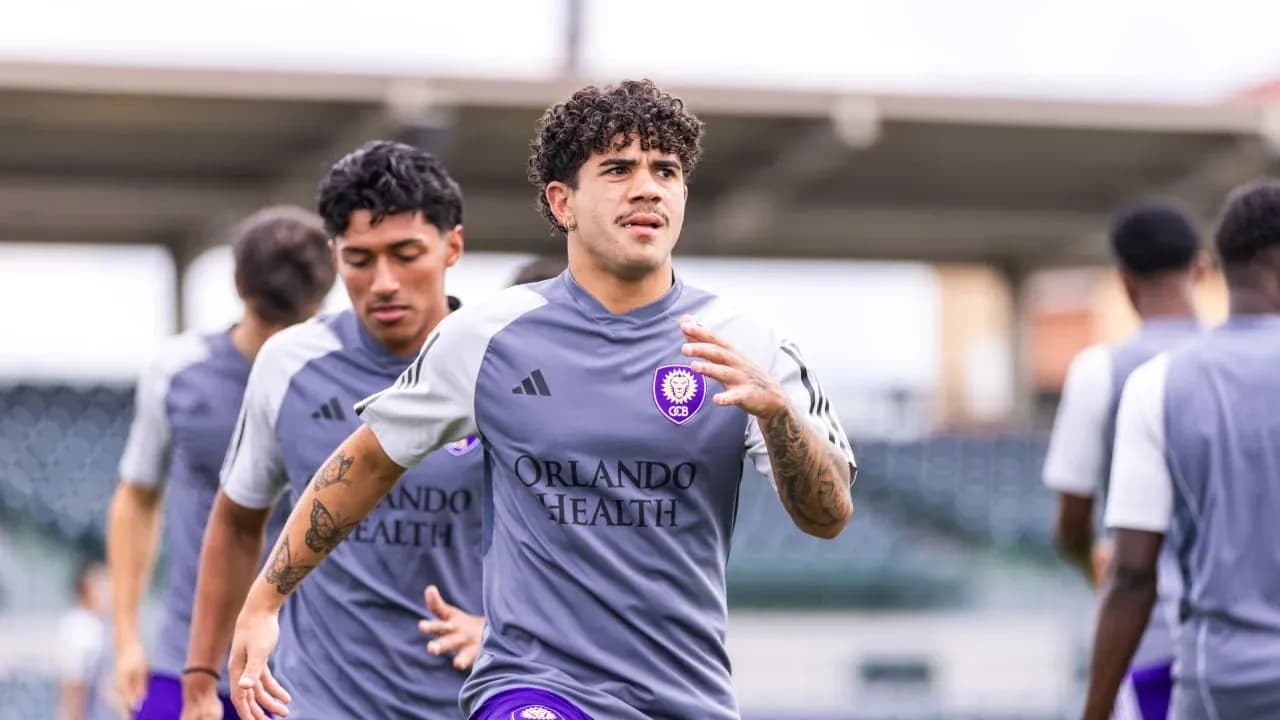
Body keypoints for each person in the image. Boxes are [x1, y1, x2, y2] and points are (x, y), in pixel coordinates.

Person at [226, 79, 857, 720]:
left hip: (687, 697)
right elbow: (365, 463)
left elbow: (829, 515)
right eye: (617, 169)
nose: (647, 187)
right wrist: (264, 602)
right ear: (563, 203)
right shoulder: (487, 336)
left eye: (665, 170)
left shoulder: (749, 344)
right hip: (534, 688)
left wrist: (779, 419)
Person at [182, 140, 488, 720]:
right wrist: (200, 676)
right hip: (316, 698)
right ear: (333, 256)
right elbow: (237, 518)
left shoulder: (502, 367)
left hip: (469, 698)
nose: (384, 282)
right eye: (360, 258)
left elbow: (565, 540)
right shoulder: (289, 363)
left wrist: (505, 631)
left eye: (406, 253)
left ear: (453, 246)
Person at [105, 207, 335, 719]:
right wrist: (126, 640)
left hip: (307, 673)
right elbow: (136, 499)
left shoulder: (345, 381)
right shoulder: (178, 370)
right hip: (186, 659)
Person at [1082, 180, 1280, 719]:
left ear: (1218, 268)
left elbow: (1132, 575)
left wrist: (1096, 710)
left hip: (1219, 688)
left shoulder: (1158, 384)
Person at [1041, 200, 1205, 719]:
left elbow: (1071, 524)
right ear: (1201, 268)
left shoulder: (1100, 371)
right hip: (1246, 647)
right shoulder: (1246, 369)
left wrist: (1095, 565)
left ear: (1124, 281)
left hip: (1150, 643)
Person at [57, 560, 114, 720]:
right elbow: (73, 685)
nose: (108, 593)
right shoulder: (80, 627)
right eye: (101, 587)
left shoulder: (99, 625)